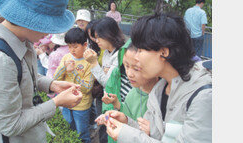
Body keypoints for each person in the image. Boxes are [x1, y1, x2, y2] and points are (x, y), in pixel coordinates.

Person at [0, 0, 83, 142]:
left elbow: (21, 75)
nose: (48, 34)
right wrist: (56, 103)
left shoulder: (21, 40)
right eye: (48, 26)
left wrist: (52, 84)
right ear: (30, 20)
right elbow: (10, 125)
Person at [101, 13, 212, 143]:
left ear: (164, 52)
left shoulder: (204, 95)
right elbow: (156, 134)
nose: (136, 58)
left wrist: (126, 134)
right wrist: (127, 122)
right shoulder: (160, 89)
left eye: (141, 50)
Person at [98, 40, 158, 143]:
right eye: (126, 66)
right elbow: (129, 121)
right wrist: (118, 113)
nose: (129, 74)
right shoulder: (132, 94)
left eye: (136, 68)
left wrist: (154, 132)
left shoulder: (163, 97)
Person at [84, 17, 125, 143]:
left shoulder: (120, 54)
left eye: (98, 37)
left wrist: (94, 63)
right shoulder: (107, 53)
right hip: (107, 100)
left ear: (109, 34)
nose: (96, 41)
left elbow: (108, 82)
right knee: (104, 132)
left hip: (118, 102)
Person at [53, 28, 95, 143]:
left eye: (75, 46)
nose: (72, 50)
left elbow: (87, 88)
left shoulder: (89, 62)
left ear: (85, 45)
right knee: (69, 130)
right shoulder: (66, 58)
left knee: (82, 133)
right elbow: (56, 80)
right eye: (69, 46)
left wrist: (73, 72)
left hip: (81, 105)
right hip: (66, 103)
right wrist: (64, 68)